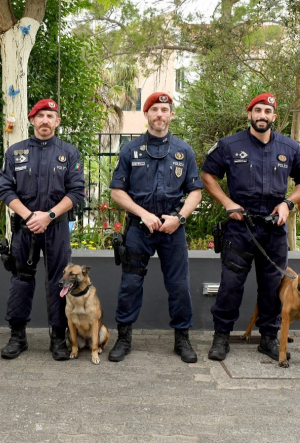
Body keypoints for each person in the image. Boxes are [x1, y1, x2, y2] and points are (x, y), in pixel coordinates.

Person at [201, 92, 300, 362]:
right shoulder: (230, 145)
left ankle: (268, 338)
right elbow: (207, 174)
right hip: (241, 228)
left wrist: (288, 203)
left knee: (272, 286)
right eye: (258, 110)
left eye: (267, 112)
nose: (262, 116)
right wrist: (228, 202)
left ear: (274, 117)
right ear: (249, 114)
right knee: (231, 285)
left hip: (274, 229)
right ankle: (221, 337)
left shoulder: (290, 147)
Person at [107, 92, 204, 364]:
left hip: (173, 229)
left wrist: (180, 218)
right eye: (154, 110)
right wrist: (143, 214)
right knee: (130, 284)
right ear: (146, 114)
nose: (160, 114)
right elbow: (117, 191)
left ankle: (182, 339)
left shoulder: (184, 151)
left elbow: (196, 192)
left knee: (179, 286)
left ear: (171, 115)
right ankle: (123, 338)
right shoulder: (130, 150)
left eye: (165, 110)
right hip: (140, 230)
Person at [0, 98, 85, 361]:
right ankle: (17, 336)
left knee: (60, 281)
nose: (45, 120)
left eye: (50, 116)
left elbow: (76, 191)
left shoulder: (69, 153)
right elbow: (4, 188)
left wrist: (48, 216)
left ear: (57, 122)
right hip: (25, 228)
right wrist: (29, 216)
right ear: (32, 120)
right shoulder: (15, 152)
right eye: (40, 116)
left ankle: (58, 338)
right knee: (21, 279)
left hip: (56, 227)